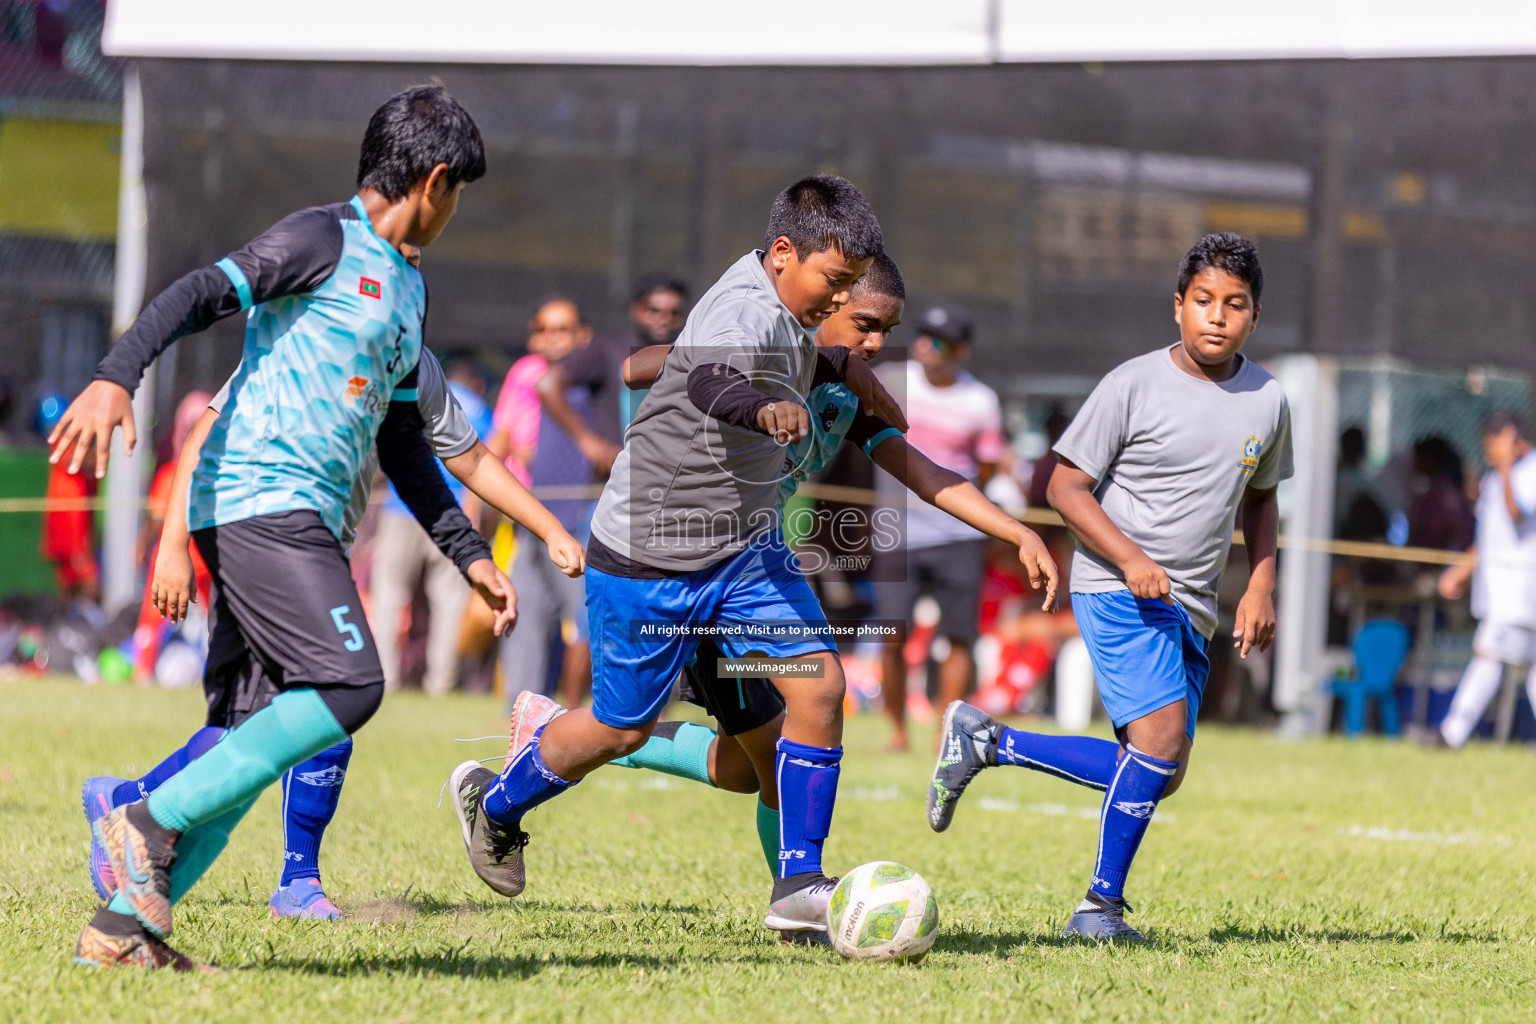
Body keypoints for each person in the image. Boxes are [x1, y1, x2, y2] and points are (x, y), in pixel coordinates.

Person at [50, 85, 524, 972]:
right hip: (263, 501)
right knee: (349, 688)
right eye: (460, 192)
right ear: (434, 179)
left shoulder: (409, 290)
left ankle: (124, 933)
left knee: (251, 733)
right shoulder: (321, 236)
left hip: (290, 514)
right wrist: (117, 375)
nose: (456, 211)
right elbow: (197, 292)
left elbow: (402, 440)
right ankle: (141, 819)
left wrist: (467, 554)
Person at [446, 175, 908, 941]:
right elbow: (706, 378)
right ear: (785, 254)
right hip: (646, 557)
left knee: (819, 691)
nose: (840, 302)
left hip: (742, 553)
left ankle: (798, 885)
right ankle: (494, 804)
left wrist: (846, 371)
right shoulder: (742, 308)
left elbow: (665, 363)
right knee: (620, 729)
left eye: (852, 287)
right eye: (836, 284)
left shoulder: (799, 304)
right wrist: (763, 407)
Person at [576, 250, 1057, 888]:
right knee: (784, 716)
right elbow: (638, 368)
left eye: (887, 329)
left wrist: (1016, 528)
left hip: (748, 571)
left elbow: (930, 477)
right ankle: (798, 890)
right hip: (685, 560)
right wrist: (819, 360)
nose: (876, 342)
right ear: (827, 305)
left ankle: (790, 887)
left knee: (753, 765)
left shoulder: (847, 400)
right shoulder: (767, 343)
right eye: (863, 323)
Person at [82, 344, 583, 925]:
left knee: (245, 735)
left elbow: (469, 458)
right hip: (254, 542)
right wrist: (171, 547)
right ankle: (294, 880)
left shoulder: (412, 363)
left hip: (319, 557)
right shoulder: (300, 329)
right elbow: (203, 438)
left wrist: (546, 528)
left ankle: (125, 803)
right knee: (334, 698)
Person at [927, 233, 1292, 944]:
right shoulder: (1133, 384)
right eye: (1204, 302)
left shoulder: (1269, 400)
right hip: (1115, 586)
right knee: (1157, 745)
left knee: (1163, 770)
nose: (1218, 317)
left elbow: (1263, 499)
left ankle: (987, 742)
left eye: (1235, 305)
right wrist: (1127, 559)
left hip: (1192, 602)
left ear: (1254, 316)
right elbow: (1065, 486)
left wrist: (1262, 587)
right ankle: (1099, 910)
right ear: (1178, 307)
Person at [874, 301, 1006, 751]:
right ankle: (896, 729)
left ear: (962, 350)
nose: (927, 346)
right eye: (923, 336)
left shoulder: (980, 401)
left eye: (941, 341)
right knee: (892, 636)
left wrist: (964, 508)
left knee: (959, 637)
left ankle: (944, 731)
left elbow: (987, 471)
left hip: (959, 537)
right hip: (897, 533)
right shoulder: (892, 381)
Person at [370, 352, 495, 697]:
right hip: (452, 516)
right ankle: (441, 683)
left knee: (389, 594)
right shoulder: (481, 409)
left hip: (401, 507)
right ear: (477, 382)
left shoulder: (413, 387)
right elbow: (486, 459)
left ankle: (385, 678)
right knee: (448, 601)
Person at [497, 297, 601, 706]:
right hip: (529, 518)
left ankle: (589, 719)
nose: (553, 339)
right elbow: (504, 434)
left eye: (564, 330)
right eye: (545, 330)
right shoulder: (527, 374)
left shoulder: (595, 384)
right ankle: (519, 714)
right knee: (523, 613)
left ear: (582, 335)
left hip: (579, 522)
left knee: (586, 624)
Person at [1431, 412, 1536, 748]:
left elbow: (1517, 512)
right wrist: (1461, 570)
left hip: (1521, 590)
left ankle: (1452, 734)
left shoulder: (1531, 470)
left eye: (1495, 447)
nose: (1491, 456)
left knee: (1488, 653)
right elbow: (1490, 537)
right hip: (1497, 591)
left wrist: (1506, 468)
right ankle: (1452, 733)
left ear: (1510, 437)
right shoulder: (1494, 480)